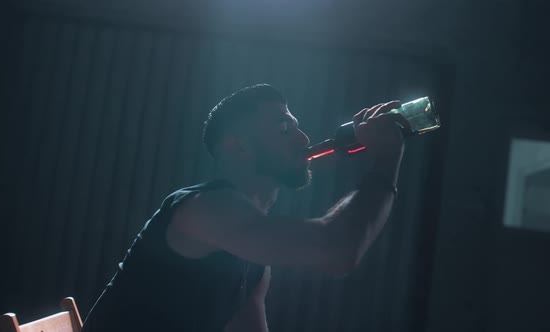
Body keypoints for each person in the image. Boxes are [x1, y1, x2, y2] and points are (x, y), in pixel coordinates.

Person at [81, 84, 408, 332]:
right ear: (238, 147)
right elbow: (338, 251)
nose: (303, 138)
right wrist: (387, 159)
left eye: (296, 126)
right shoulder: (207, 209)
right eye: (283, 128)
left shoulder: (250, 249)